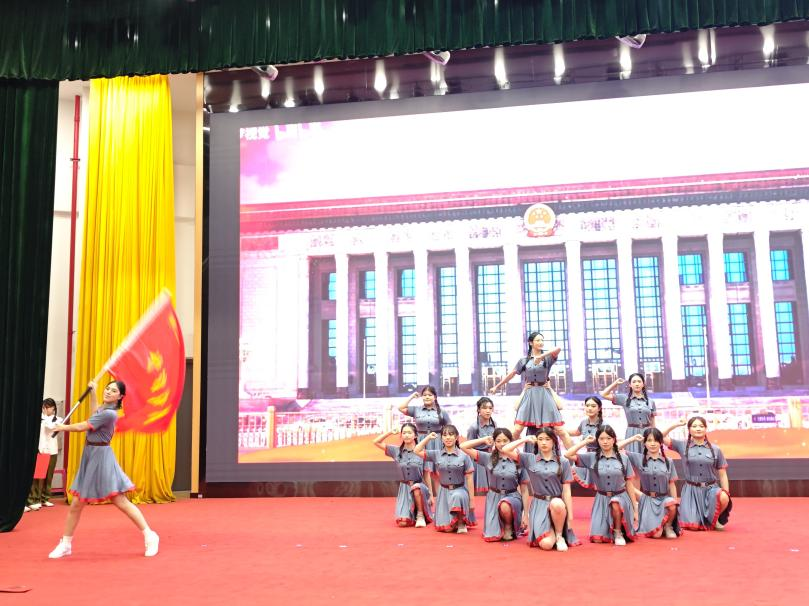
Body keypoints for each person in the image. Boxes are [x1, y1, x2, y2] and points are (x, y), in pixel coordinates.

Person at [47, 380, 159, 558]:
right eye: (107, 388)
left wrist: (63, 427)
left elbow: (84, 426)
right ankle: (66, 543)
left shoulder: (110, 414)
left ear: (120, 396)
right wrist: (93, 392)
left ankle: (150, 536)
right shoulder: (103, 409)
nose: (108, 392)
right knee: (77, 503)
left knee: (120, 501)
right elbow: (94, 414)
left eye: (113, 391)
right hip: (90, 455)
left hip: (102, 458)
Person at [488, 331, 571, 449]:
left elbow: (558, 349)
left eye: (542, 340)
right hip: (529, 394)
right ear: (531, 343)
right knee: (517, 429)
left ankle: (573, 456)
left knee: (560, 430)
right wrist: (497, 386)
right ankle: (503, 454)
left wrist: (540, 357)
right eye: (538, 340)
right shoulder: (524, 361)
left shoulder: (547, 358)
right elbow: (512, 374)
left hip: (545, 394)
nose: (541, 342)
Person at [503, 427, 580, 551]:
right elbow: (505, 449)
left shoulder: (563, 462)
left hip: (557, 505)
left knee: (557, 503)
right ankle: (552, 532)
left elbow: (566, 491)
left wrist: (570, 517)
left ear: (554, 441)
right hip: (539, 506)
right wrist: (525, 439)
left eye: (547, 439)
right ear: (536, 441)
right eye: (540, 439)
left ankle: (560, 536)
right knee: (546, 545)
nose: (544, 442)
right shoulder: (530, 459)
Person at [564, 425, 636, 546]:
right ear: (597, 440)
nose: (605, 441)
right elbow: (568, 454)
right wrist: (585, 442)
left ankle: (618, 532)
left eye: (608, 438)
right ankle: (608, 530)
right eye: (601, 439)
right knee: (597, 539)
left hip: (620, 498)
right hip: (601, 500)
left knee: (615, 502)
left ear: (614, 439)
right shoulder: (591, 457)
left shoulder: (624, 458)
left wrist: (635, 507)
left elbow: (629, 483)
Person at [460, 428, 528, 542]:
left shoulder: (519, 460)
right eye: (498, 441)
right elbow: (463, 446)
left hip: (512, 497)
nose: (502, 444)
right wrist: (483, 440)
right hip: (493, 498)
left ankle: (509, 526)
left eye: (505, 441)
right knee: (491, 535)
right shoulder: (488, 458)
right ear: (494, 442)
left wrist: (525, 515)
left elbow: (524, 490)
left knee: (505, 505)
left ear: (510, 441)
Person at [664, 417, 732, 531]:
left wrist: (726, 493)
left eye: (701, 426)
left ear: (706, 429)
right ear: (689, 430)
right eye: (694, 426)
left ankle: (715, 519)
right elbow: (660, 437)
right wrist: (675, 424)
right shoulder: (682, 445)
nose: (698, 429)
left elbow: (722, 474)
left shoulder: (715, 449)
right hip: (691, 492)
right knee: (693, 526)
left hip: (711, 490)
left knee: (724, 497)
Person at [415, 425, 476, 533]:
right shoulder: (436, 454)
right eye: (445, 435)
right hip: (443, 493)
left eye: (451, 434)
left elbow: (470, 479)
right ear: (441, 438)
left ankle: (461, 522)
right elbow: (416, 450)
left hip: (460, 490)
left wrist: (471, 501)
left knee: (457, 496)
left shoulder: (464, 456)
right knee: (447, 529)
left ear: (456, 437)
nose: (448, 437)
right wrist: (428, 438)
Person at [373, 423, 434, 527]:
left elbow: (426, 475)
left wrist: (431, 495)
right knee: (403, 523)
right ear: (401, 435)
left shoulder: (422, 453)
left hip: (419, 487)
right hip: (405, 489)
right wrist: (390, 432)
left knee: (416, 487)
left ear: (415, 435)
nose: (406, 435)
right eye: (404, 433)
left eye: (409, 433)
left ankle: (420, 515)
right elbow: (376, 442)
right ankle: (412, 514)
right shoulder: (396, 451)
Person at [623, 429, 680, 539]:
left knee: (672, 504)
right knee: (656, 535)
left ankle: (668, 526)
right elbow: (615, 448)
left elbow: (672, 484)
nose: (653, 444)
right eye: (649, 440)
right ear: (644, 443)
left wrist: (675, 503)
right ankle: (658, 525)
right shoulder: (638, 458)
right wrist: (633, 439)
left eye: (656, 441)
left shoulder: (669, 461)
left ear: (661, 443)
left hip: (663, 500)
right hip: (647, 501)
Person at [399, 386, 450, 496]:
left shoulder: (442, 412)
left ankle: (441, 498)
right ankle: (429, 497)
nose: (427, 397)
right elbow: (400, 407)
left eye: (430, 395)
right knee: (425, 471)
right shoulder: (416, 410)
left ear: (435, 397)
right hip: (421, 442)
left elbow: (450, 429)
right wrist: (412, 396)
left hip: (437, 442)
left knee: (437, 472)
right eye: (425, 395)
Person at [599, 374, 656, 453]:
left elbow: (653, 422)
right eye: (634, 382)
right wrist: (615, 383)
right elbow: (603, 394)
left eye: (639, 381)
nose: (637, 384)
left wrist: (654, 436)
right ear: (630, 385)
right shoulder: (624, 399)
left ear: (643, 384)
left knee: (648, 456)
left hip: (647, 433)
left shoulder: (651, 401)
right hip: (631, 433)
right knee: (632, 455)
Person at [25, 398, 63, 512]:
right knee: (38, 477)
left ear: (53, 408)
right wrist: (44, 416)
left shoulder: (59, 420)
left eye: (48, 407)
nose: (45, 409)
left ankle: (45, 498)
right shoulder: (40, 419)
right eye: (44, 407)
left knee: (48, 476)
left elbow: (50, 427)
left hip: (52, 451)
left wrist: (45, 416)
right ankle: (34, 499)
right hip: (41, 450)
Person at [565, 395, 603, 489]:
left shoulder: (604, 425)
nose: (589, 408)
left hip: (600, 457)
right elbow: (576, 432)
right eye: (587, 405)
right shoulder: (584, 422)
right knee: (567, 468)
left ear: (599, 408)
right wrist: (560, 431)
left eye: (593, 406)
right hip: (587, 456)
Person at [466, 397, 497, 494]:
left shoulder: (494, 424)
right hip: (477, 461)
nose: (488, 411)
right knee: (479, 493)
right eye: (484, 408)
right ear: (478, 409)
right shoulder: (473, 427)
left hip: (491, 459)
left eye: (490, 408)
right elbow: (467, 447)